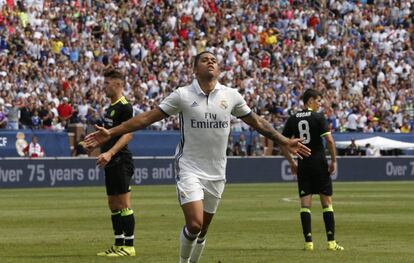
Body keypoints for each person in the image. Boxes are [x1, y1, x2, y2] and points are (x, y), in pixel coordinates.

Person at [84, 51, 311, 263]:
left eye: (214, 60)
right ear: (194, 70)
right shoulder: (183, 95)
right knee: (194, 224)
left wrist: (283, 140)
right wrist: (112, 132)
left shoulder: (230, 96)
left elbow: (258, 122)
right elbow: (147, 118)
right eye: (204, 60)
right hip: (189, 167)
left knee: (202, 231)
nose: (210, 61)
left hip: (217, 172)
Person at [281, 88, 344, 251]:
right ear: (310, 101)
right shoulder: (318, 117)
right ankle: (331, 243)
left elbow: (283, 144)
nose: (319, 104)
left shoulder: (293, 118)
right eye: (318, 101)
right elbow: (329, 141)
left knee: (305, 204)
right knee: (327, 203)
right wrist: (334, 161)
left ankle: (308, 243)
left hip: (303, 165)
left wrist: (292, 163)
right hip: (319, 164)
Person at [94, 69, 136, 257]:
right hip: (110, 161)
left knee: (124, 203)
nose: (104, 86)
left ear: (118, 84)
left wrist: (110, 152)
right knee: (113, 203)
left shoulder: (125, 107)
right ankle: (118, 244)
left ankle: (129, 246)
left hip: (120, 159)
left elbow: (128, 134)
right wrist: (94, 143)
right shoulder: (110, 108)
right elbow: (108, 135)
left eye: (107, 83)